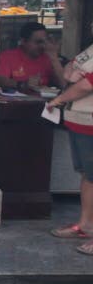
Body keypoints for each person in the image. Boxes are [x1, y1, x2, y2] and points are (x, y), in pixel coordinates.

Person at [47, 36, 93, 256]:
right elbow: (69, 70)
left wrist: (59, 100)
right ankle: (85, 225)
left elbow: (86, 85)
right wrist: (73, 71)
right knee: (88, 174)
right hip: (82, 122)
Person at [0, 22, 65, 90]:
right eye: (38, 42)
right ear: (23, 41)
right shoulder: (8, 56)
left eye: (45, 41)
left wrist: (54, 58)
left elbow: (64, 85)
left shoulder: (48, 57)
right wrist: (23, 84)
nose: (43, 46)